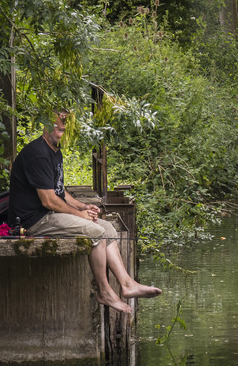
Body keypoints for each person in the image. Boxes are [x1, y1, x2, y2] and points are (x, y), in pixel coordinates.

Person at [9, 110, 161, 315]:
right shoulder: (37, 153)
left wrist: (82, 206)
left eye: (64, 130)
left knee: (107, 227)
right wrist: (80, 216)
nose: (61, 134)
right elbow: (49, 201)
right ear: (45, 126)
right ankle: (105, 292)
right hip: (33, 221)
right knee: (96, 232)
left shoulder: (55, 152)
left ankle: (126, 284)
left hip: (48, 215)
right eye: (58, 129)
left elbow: (59, 191)